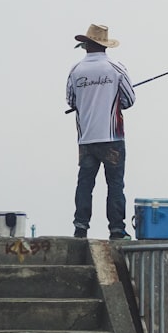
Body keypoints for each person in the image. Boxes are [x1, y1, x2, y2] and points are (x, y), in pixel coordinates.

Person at [66, 23, 136, 239]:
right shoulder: (116, 68)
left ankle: (81, 227)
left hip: (86, 139)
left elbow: (71, 100)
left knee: (85, 183)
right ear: (105, 46)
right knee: (115, 184)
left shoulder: (76, 71)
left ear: (86, 45)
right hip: (112, 137)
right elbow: (129, 100)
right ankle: (116, 230)